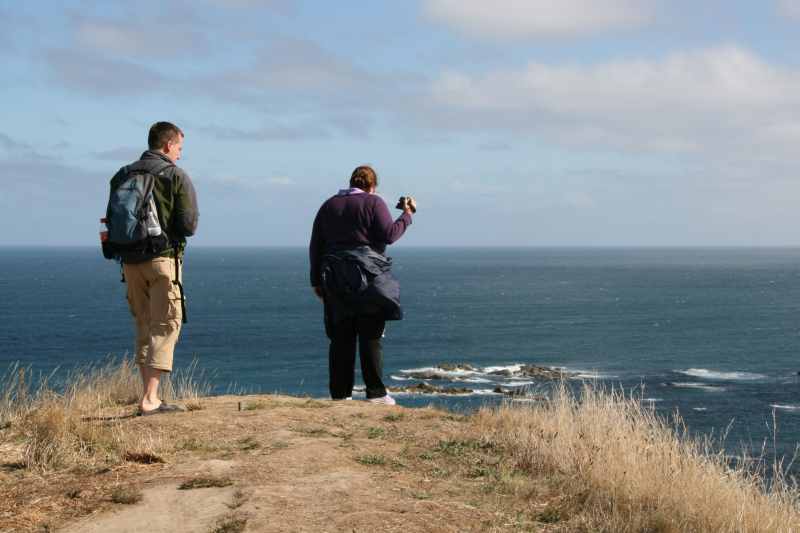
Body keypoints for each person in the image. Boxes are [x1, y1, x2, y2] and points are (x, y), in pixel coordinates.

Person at [110, 122, 199, 415]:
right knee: (166, 324)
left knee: (143, 325)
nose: (180, 155)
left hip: (130, 262)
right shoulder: (175, 175)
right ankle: (150, 399)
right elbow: (188, 225)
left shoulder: (123, 174)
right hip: (163, 260)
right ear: (167, 145)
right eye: (179, 148)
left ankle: (147, 395)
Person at [309, 165, 415, 405]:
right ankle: (375, 393)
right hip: (368, 277)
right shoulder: (373, 202)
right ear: (372, 185)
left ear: (351, 182)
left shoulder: (328, 205)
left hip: (335, 279)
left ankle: (340, 395)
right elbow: (389, 234)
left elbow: (316, 244)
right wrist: (407, 216)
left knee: (340, 338)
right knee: (370, 334)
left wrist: (315, 280)